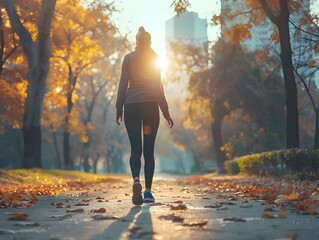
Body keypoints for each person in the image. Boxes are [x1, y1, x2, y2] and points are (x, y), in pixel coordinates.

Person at [116, 26, 174, 205]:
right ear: (149, 42)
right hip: (150, 107)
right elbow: (158, 88)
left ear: (137, 41)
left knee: (135, 150)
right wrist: (165, 111)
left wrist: (119, 108)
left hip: (131, 106)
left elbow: (122, 85)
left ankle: (135, 182)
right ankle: (148, 192)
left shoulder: (128, 58)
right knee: (148, 152)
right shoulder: (155, 57)